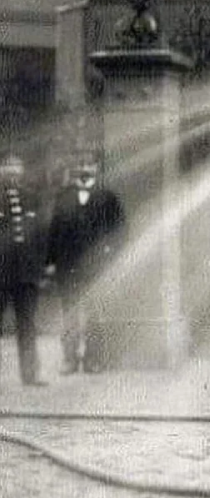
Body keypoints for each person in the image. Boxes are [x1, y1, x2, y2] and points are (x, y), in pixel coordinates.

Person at [46, 156, 126, 374]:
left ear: (96, 168)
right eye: (80, 165)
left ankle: (93, 360)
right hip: (67, 266)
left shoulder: (107, 196)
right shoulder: (64, 196)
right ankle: (70, 360)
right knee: (69, 314)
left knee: (94, 314)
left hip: (96, 267)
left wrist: (111, 255)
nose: (84, 169)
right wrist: (50, 262)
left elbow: (120, 229)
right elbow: (54, 231)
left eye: (88, 165)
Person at [0, 150, 48, 386]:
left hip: (26, 273)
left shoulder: (31, 197)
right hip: (1, 272)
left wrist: (41, 267)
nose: (12, 170)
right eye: (7, 165)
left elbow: (40, 236)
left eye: (16, 165)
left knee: (27, 324)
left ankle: (30, 375)